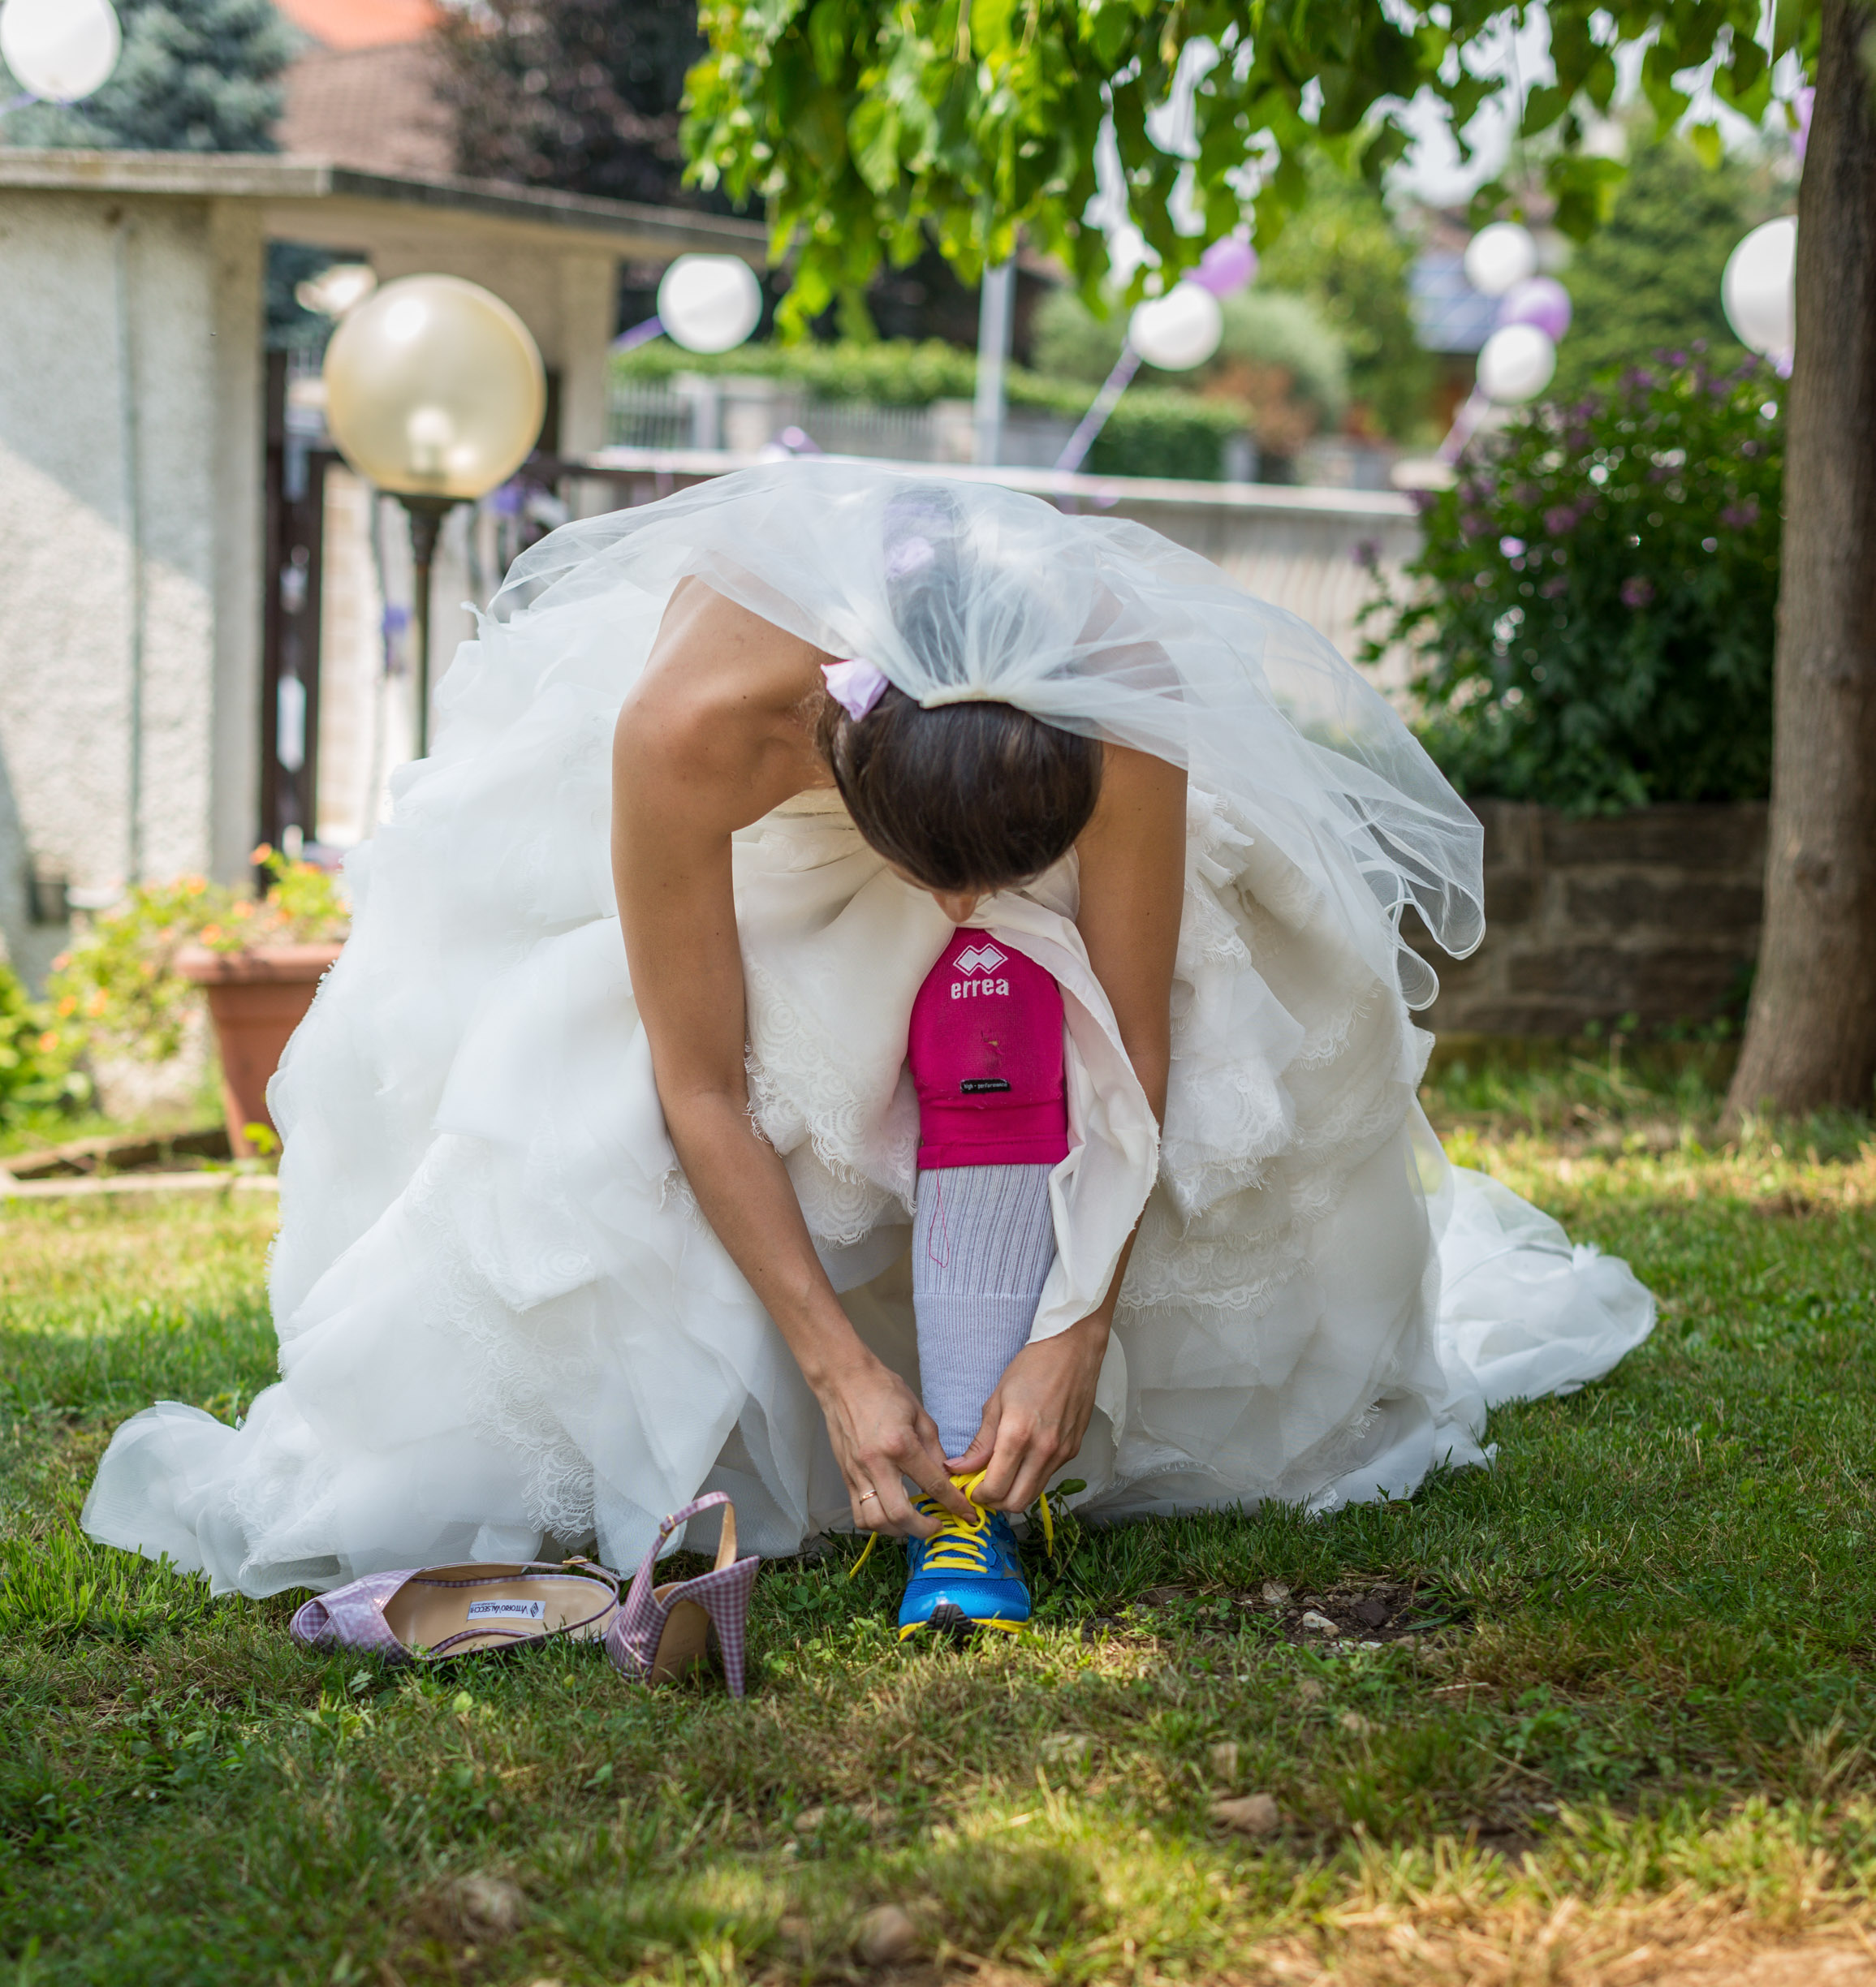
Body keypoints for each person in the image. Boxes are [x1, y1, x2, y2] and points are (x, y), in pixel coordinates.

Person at [82, 463, 1654, 1631]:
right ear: (841, 757)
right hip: (753, 862)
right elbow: (702, 1084)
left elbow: (1134, 1045)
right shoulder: (694, 730)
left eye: (1000, 872)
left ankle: (983, 1457)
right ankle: (876, 1411)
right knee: (609, 1105)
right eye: (939, 878)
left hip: (1013, 832)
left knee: (1023, 1021)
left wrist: (1079, 1327)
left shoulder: (1118, 705)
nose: (962, 905)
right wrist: (837, 1371)